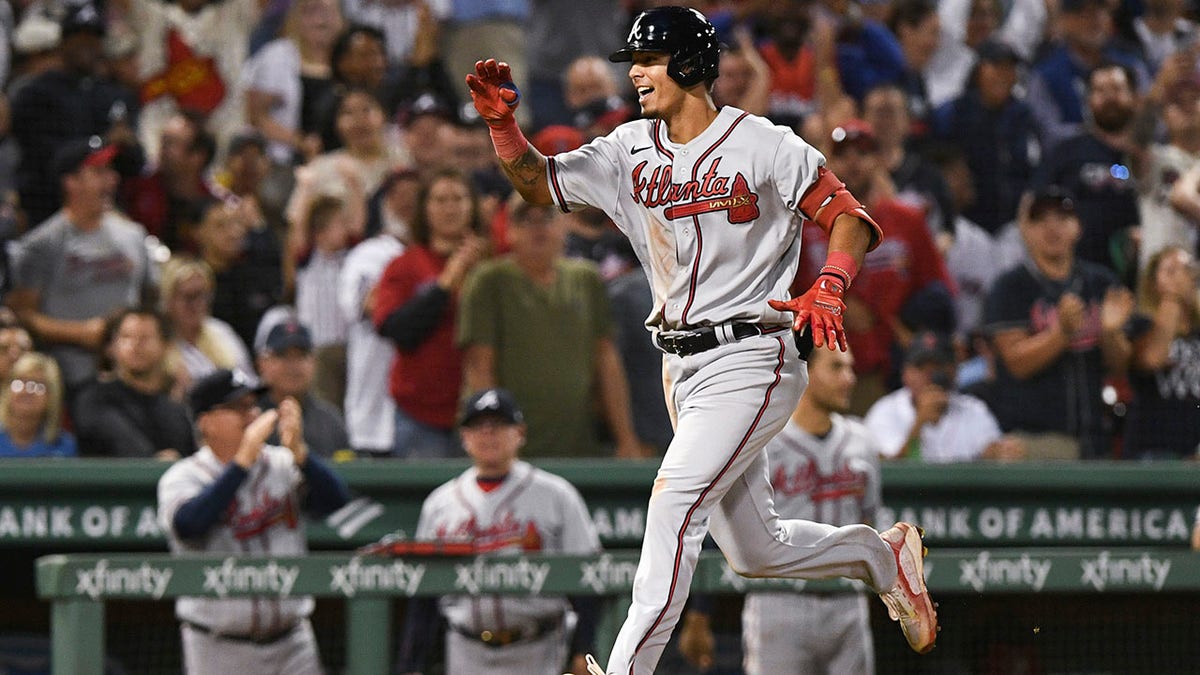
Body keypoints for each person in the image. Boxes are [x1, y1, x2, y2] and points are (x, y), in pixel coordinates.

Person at [466, 7, 939, 673]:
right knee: (756, 549)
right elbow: (538, 184)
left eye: (650, 58)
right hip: (680, 366)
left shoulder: (765, 143)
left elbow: (849, 218)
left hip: (754, 352)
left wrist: (830, 283)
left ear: (689, 63)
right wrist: (503, 128)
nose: (634, 71)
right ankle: (879, 555)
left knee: (674, 507)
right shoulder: (624, 148)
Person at [678, 345, 883, 674]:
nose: (849, 379)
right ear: (805, 372)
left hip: (848, 601)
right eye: (836, 367)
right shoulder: (764, 441)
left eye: (850, 368)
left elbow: (870, 521)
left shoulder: (862, 441)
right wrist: (700, 613)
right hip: (778, 598)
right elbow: (723, 531)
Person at [395, 388, 601, 675]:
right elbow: (424, 595)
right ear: (464, 437)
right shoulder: (440, 503)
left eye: (499, 425)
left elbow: (589, 580)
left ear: (520, 433)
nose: (488, 434)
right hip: (465, 648)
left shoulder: (557, 495)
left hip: (539, 647)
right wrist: (411, 664)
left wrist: (584, 649)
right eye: (478, 426)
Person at [157, 368, 349, 675]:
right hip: (218, 646)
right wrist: (241, 463)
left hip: (292, 643)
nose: (252, 415)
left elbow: (335, 500)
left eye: (253, 405)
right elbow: (190, 526)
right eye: (238, 408)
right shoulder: (182, 477)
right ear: (206, 422)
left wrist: (300, 453)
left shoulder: (280, 463)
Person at [458, 196, 643, 459]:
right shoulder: (489, 280)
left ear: (565, 225)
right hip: (511, 448)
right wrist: (494, 441)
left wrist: (626, 438)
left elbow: (606, 359)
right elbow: (479, 366)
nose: (538, 227)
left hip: (578, 443)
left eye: (547, 217)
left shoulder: (586, 279)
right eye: (525, 219)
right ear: (509, 231)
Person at [982, 186, 1135, 459]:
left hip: (1097, 437)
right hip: (1034, 438)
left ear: (1078, 227)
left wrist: (1111, 333)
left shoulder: (1100, 282)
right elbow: (1017, 364)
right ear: (1024, 230)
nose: (1052, 228)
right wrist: (1061, 333)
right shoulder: (1010, 287)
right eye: (1040, 219)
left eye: (1062, 219)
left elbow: (1120, 367)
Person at [6, 136, 156, 403]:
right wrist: (81, 333)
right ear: (70, 182)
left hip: (133, 375)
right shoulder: (42, 245)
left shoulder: (133, 235)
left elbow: (150, 299)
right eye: (98, 172)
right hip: (71, 378)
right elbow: (22, 314)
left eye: (111, 171)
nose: (111, 180)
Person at [372, 169, 487, 459]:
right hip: (421, 416)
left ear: (472, 206)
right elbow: (397, 329)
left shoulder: (493, 267)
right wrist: (448, 280)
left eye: (458, 199)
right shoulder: (404, 266)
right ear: (424, 209)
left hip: (484, 415)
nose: (450, 208)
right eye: (440, 200)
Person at [864, 331, 1026, 463]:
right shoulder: (886, 411)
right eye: (921, 367)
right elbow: (886, 471)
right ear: (905, 374)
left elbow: (994, 454)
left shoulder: (974, 410)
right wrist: (918, 424)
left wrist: (999, 453)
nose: (930, 375)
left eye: (938, 367)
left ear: (954, 372)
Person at [73, 308, 197, 460]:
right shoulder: (93, 397)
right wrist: (153, 459)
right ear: (111, 347)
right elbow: (119, 440)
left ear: (166, 346)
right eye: (126, 337)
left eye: (145, 338)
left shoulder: (176, 410)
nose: (135, 345)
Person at [1124, 246, 1200, 459]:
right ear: (1152, 282)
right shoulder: (1140, 325)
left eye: (1185, 269)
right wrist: (1172, 300)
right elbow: (1152, 359)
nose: (1179, 276)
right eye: (1170, 270)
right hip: (1153, 449)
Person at [255, 318, 349, 459]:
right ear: (262, 363)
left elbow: (346, 473)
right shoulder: (250, 417)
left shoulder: (330, 420)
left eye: (301, 356)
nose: (293, 365)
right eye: (283, 356)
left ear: (314, 362)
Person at [159, 256, 255, 388]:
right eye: (189, 297)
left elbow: (249, 382)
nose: (196, 305)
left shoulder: (221, 332)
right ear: (169, 300)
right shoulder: (158, 341)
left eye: (202, 296)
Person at [0, 352, 77, 458]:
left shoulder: (64, 446)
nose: (27, 391)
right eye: (19, 383)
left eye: (39, 385)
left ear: (52, 397)